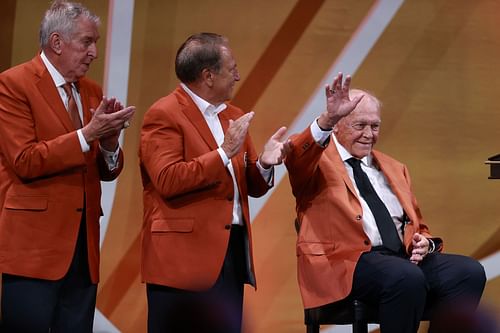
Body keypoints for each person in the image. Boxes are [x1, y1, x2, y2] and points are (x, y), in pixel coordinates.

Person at [285, 73, 486, 333]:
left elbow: (419, 226)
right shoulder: (316, 164)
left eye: (375, 126)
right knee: (405, 277)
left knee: (468, 272)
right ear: (337, 125)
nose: (369, 134)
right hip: (345, 264)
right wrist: (326, 118)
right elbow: (296, 157)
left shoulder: (395, 167)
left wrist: (424, 243)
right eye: (360, 125)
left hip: (399, 262)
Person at [139, 32, 290, 333]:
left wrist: (264, 164)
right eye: (231, 67)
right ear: (208, 75)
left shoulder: (231, 116)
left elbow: (250, 184)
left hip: (230, 252)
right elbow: (168, 179)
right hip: (183, 258)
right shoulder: (164, 113)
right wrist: (223, 152)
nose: (237, 75)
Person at [0, 1, 135, 332]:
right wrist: (88, 134)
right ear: (57, 42)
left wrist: (108, 143)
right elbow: (25, 160)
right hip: (33, 251)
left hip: (83, 252)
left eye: (97, 43)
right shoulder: (14, 84)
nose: (94, 53)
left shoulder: (91, 91)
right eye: (87, 42)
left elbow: (106, 170)